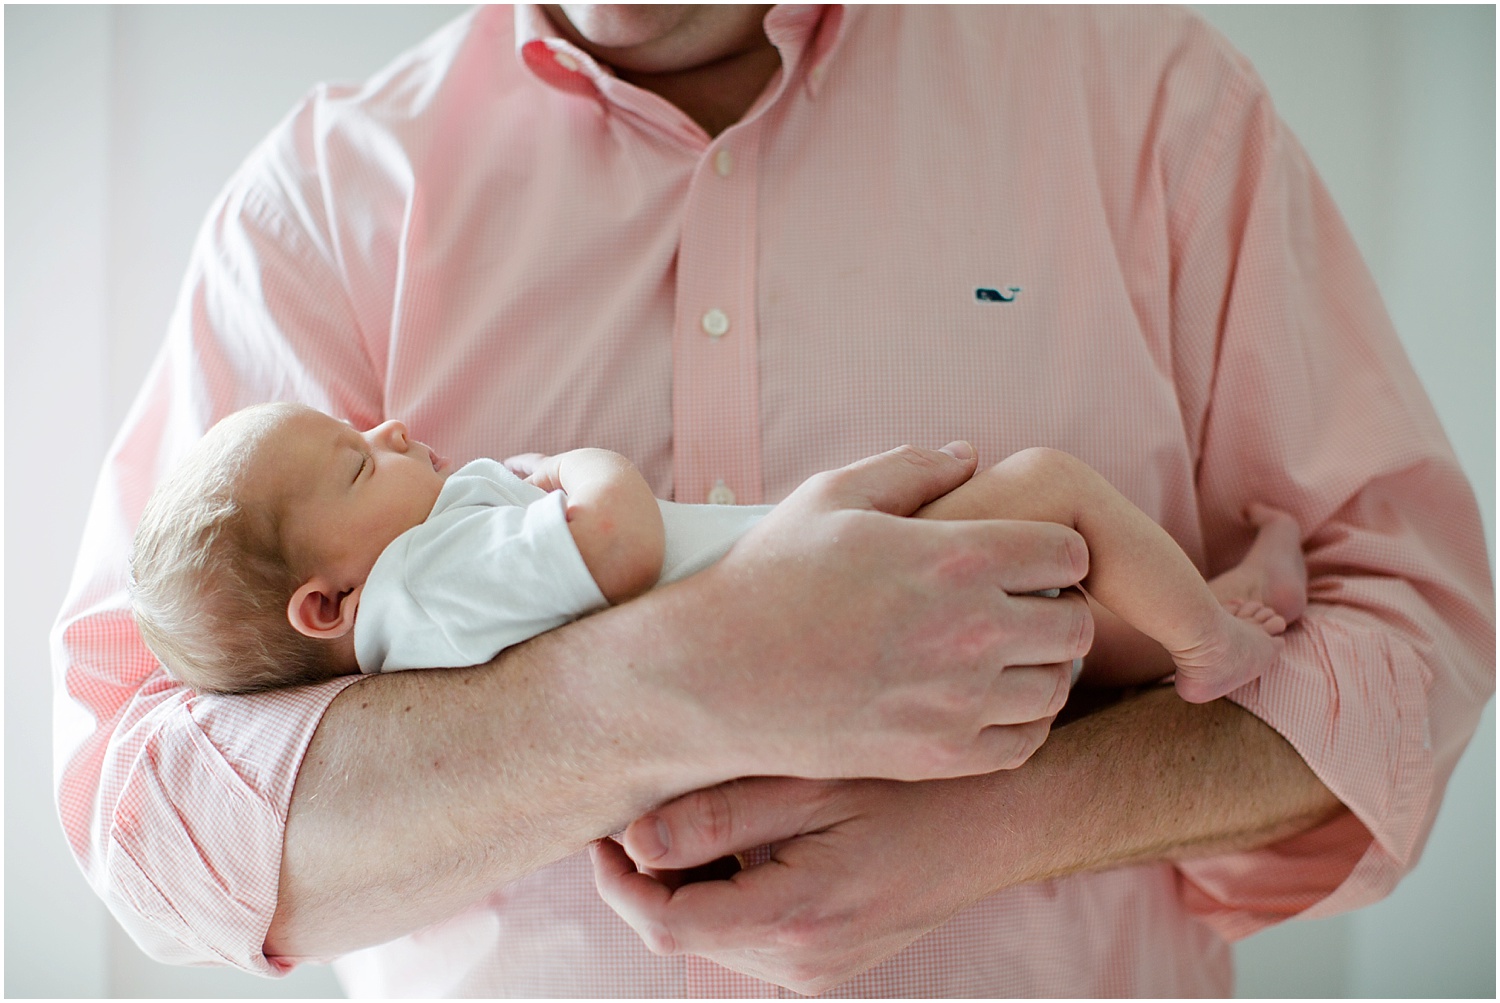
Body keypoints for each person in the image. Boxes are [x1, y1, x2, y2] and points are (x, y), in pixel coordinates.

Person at [50, 5, 1492, 997]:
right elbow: (147, 811)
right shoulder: (316, 208)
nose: (381, 436)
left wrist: (1006, 821)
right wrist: (672, 683)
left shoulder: (1158, 110)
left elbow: (1413, 646)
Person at [129, 402, 1305, 700]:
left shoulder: (422, 590)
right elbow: (622, 541)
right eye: (352, 463)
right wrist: (577, 465)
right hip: (830, 596)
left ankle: (1204, 618)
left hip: (815, 589)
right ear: (326, 607)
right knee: (1049, 495)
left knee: (1051, 630)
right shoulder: (423, 591)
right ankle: (1213, 641)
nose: (385, 430)